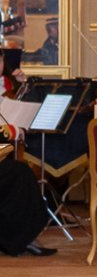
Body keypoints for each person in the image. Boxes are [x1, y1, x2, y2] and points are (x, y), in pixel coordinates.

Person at [0, 65, 55, 257]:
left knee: (19, 173)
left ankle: (21, 237)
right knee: (19, 174)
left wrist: (22, 87)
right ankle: (19, 238)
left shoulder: (9, 86)